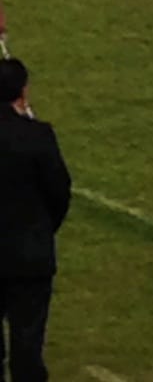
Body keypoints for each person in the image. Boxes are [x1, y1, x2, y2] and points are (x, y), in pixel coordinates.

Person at [0, 58, 71, 382]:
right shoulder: (38, 135)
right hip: (30, 253)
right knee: (27, 346)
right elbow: (59, 191)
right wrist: (42, 229)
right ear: (23, 91)